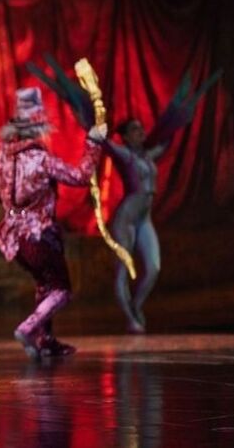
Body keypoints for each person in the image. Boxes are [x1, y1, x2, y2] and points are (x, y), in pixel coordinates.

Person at [0, 87, 106, 359]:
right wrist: (93, 143)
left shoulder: (0, 157)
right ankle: (29, 328)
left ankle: (45, 340)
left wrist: (14, 199)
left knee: (44, 284)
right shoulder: (40, 159)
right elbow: (80, 176)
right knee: (61, 290)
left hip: (13, 238)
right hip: (38, 234)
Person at [105, 119, 165, 334]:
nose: (140, 131)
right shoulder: (124, 154)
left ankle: (136, 304)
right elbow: (105, 143)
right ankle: (130, 318)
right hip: (126, 219)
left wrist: (180, 115)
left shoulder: (148, 156)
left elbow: (168, 139)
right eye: (134, 129)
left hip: (144, 219)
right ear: (126, 137)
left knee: (153, 268)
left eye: (141, 128)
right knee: (122, 271)